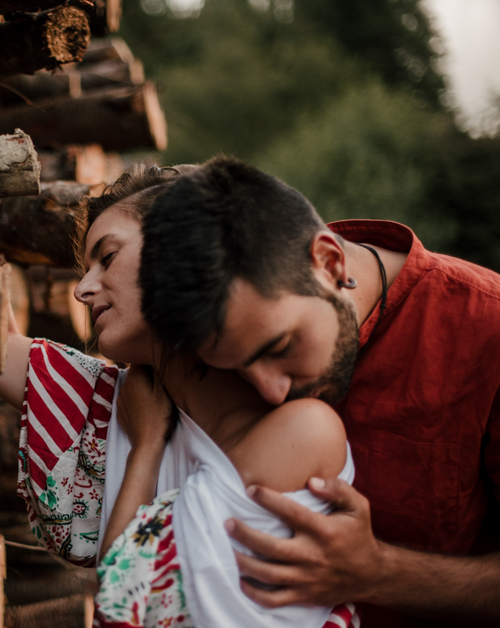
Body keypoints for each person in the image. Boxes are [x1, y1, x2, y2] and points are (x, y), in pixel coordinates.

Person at [0, 52, 359, 628]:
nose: (82, 290)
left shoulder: (301, 431)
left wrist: (148, 445)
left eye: (107, 257)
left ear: (180, 254)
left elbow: (125, 603)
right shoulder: (104, 398)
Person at [131, 157, 500, 626]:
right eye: (237, 369)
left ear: (329, 263)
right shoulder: (225, 310)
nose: (271, 392)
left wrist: (380, 572)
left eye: (280, 347)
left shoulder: (487, 329)